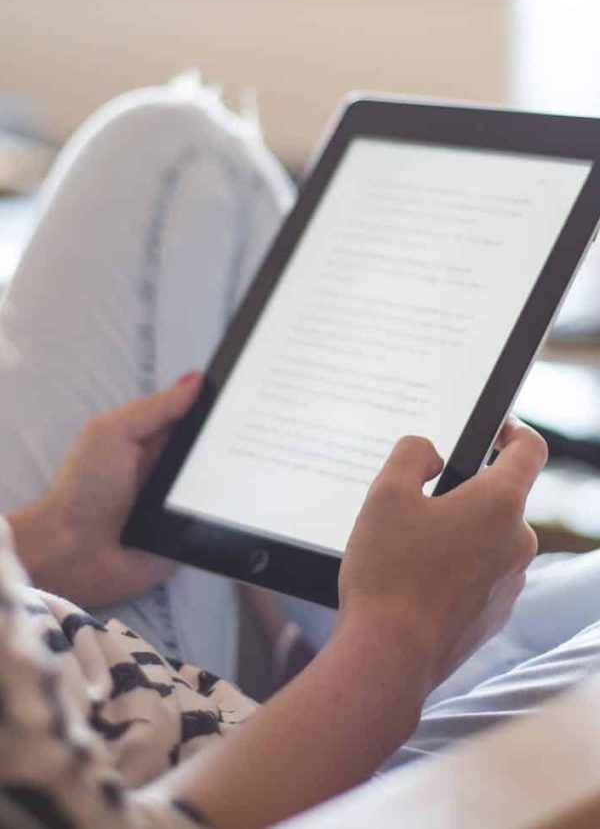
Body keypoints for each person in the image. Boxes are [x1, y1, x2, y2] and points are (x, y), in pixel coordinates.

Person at [2, 79, 600, 828]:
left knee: (169, 142)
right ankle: (399, 654)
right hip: (202, 770)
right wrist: (392, 644)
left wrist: (47, 540)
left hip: (60, 630)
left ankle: (382, 632)